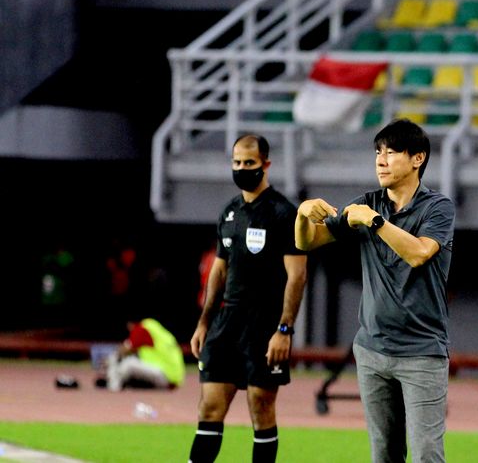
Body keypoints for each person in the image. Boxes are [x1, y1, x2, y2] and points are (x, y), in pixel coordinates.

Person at [295, 118, 456, 463]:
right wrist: (302, 214)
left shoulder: (437, 208)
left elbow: (418, 253)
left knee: (427, 453)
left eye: (392, 152)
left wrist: (374, 221)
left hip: (422, 352)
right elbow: (307, 242)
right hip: (372, 351)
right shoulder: (368, 203)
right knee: (383, 454)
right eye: (378, 153)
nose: (381, 160)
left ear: (418, 159)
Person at [188, 134, 307, 463]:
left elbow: (297, 276)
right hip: (227, 322)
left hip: (265, 324)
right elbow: (219, 271)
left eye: (249, 163)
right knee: (210, 406)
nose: (242, 169)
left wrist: (284, 331)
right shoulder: (229, 212)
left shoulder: (284, 213)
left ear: (266, 164)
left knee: (261, 405)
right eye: (237, 163)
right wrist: (204, 323)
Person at [103, 314, 186, 391]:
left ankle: (113, 386)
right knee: (133, 361)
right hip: (173, 377)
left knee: (128, 363)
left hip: (165, 376)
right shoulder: (154, 327)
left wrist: (107, 361)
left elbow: (123, 350)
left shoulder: (142, 328)